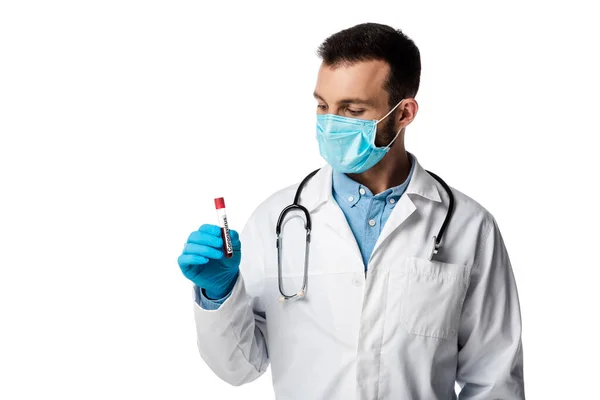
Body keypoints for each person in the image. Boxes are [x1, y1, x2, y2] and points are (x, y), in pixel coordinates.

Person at [177, 22, 525, 399]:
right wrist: (220, 293)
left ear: (404, 113)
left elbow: (495, 380)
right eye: (323, 106)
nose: (330, 124)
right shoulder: (276, 219)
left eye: (352, 110)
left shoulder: (468, 227)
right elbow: (240, 366)